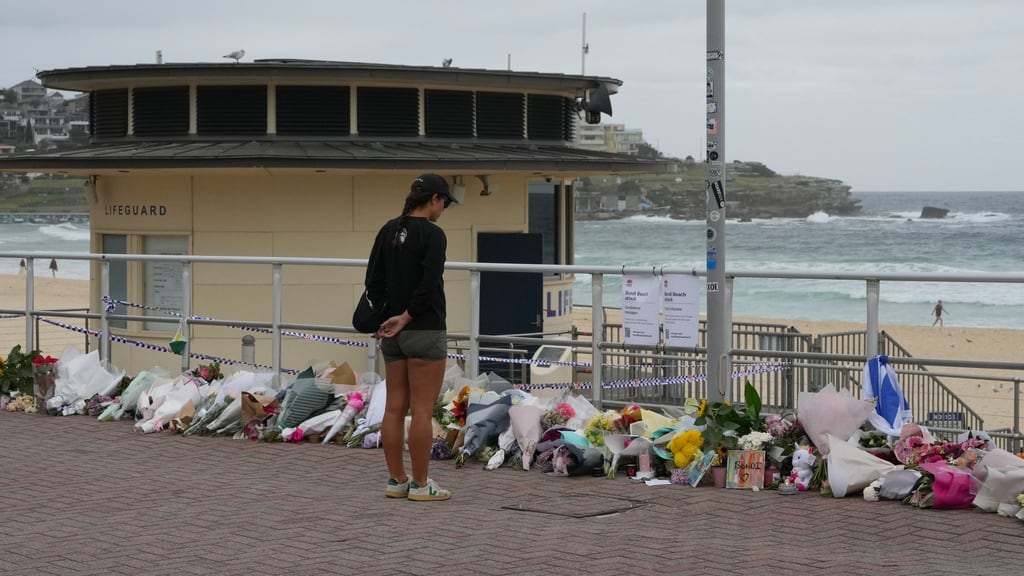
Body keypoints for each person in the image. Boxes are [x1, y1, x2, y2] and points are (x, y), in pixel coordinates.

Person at [367, 173, 456, 502]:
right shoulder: (434, 235)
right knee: (421, 410)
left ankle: (397, 480)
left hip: (391, 330)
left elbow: (373, 281)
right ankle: (421, 484)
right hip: (424, 327)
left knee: (393, 408)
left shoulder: (388, 229)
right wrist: (408, 317)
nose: (444, 208)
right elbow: (429, 282)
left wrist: (386, 320)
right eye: (444, 202)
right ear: (433, 199)